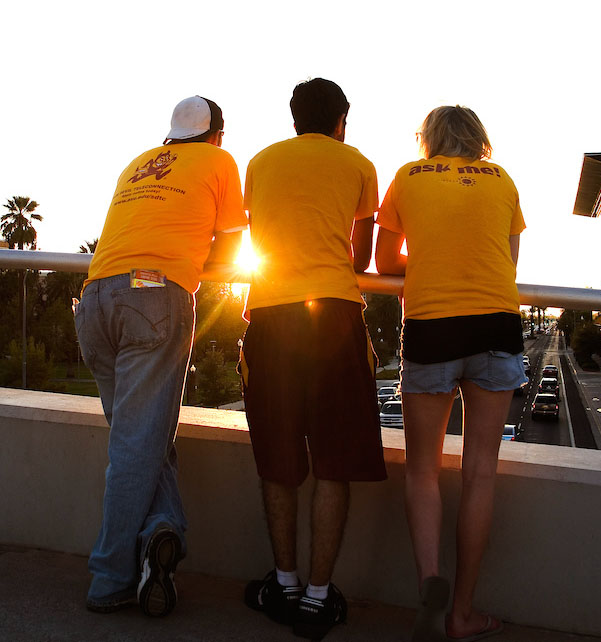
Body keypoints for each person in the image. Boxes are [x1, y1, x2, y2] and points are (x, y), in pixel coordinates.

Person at [76, 95, 246, 618]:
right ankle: (110, 578)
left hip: (96, 297)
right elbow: (232, 246)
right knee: (136, 445)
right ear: (217, 133)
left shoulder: (137, 164)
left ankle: (160, 532)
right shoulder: (219, 162)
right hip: (152, 294)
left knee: (141, 437)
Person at [239, 77, 387, 641]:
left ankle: (284, 582)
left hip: (271, 315)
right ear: (341, 119)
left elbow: (262, 237)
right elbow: (363, 256)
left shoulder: (260, 162)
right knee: (335, 458)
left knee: (278, 456)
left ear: (294, 117)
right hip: (335, 316)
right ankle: (319, 600)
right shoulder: (359, 164)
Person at [375, 105, 527, 642]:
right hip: (496, 324)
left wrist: (430, 259)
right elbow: (507, 264)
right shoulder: (503, 179)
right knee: (479, 471)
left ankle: (430, 589)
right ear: (479, 140)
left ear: (430, 140)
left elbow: (385, 263)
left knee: (422, 469)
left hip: (433, 326)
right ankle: (463, 613)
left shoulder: (408, 177)